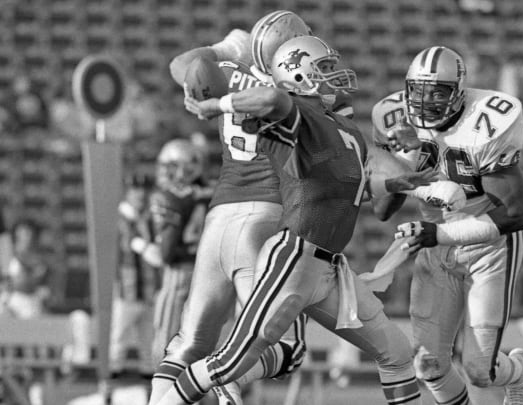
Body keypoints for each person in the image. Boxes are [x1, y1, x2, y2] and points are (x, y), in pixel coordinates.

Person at [155, 34, 438, 405]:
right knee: (229, 363)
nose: (335, 74)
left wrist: (401, 180)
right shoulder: (301, 114)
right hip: (294, 258)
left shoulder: (345, 128)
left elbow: (351, 186)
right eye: (324, 68)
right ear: (298, 75)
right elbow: (273, 99)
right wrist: (218, 105)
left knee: (397, 353)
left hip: (330, 269)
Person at [149, 11, 324, 405]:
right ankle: (228, 375)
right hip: (268, 221)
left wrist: (224, 52)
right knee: (283, 348)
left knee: (186, 344)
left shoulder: (232, 70)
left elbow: (186, 67)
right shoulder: (293, 90)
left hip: (220, 218)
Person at [368, 45, 523, 405]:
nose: (426, 101)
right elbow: (382, 209)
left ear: (458, 92)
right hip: (436, 248)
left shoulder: (486, 121)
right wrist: (405, 159)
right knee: (428, 364)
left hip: (488, 249)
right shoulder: (395, 118)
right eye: (419, 90)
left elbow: (517, 214)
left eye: (439, 92)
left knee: (479, 370)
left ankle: (518, 372)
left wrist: (442, 232)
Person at [135, 139, 206, 366]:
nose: (164, 172)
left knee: (166, 342)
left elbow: (165, 254)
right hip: (207, 274)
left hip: (179, 272)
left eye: (169, 166)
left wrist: (144, 247)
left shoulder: (170, 197)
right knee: (202, 341)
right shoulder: (210, 192)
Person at [110, 172, 159, 375]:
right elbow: (127, 242)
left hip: (147, 290)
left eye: (142, 190)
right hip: (126, 290)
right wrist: (144, 247)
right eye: (135, 190)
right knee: (118, 340)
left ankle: (148, 386)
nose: (140, 194)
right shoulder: (122, 217)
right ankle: (109, 387)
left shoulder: (149, 217)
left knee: (148, 342)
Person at [0, 218, 50, 319]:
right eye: (22, 235)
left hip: (31, 302)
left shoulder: (41, 262)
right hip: (11, 301)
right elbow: (7, 284)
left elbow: (42, 288)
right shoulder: (7, 258)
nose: (25, 239)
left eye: (28, 234)